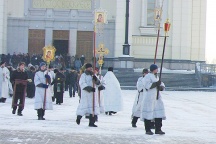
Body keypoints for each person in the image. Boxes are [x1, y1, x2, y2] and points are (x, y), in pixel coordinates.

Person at [141, 64, 166, 135]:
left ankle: (158, 129)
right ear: (153, 69)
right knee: (148, 114)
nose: (157, 70)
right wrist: (155, 84)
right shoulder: (147, 77)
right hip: (150, 98)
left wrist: (160, 87)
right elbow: (147, 86)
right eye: (156, 69)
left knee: (158, 114)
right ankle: (148, 129)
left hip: (157, 98)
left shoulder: (156, 77)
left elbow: (161, 84)